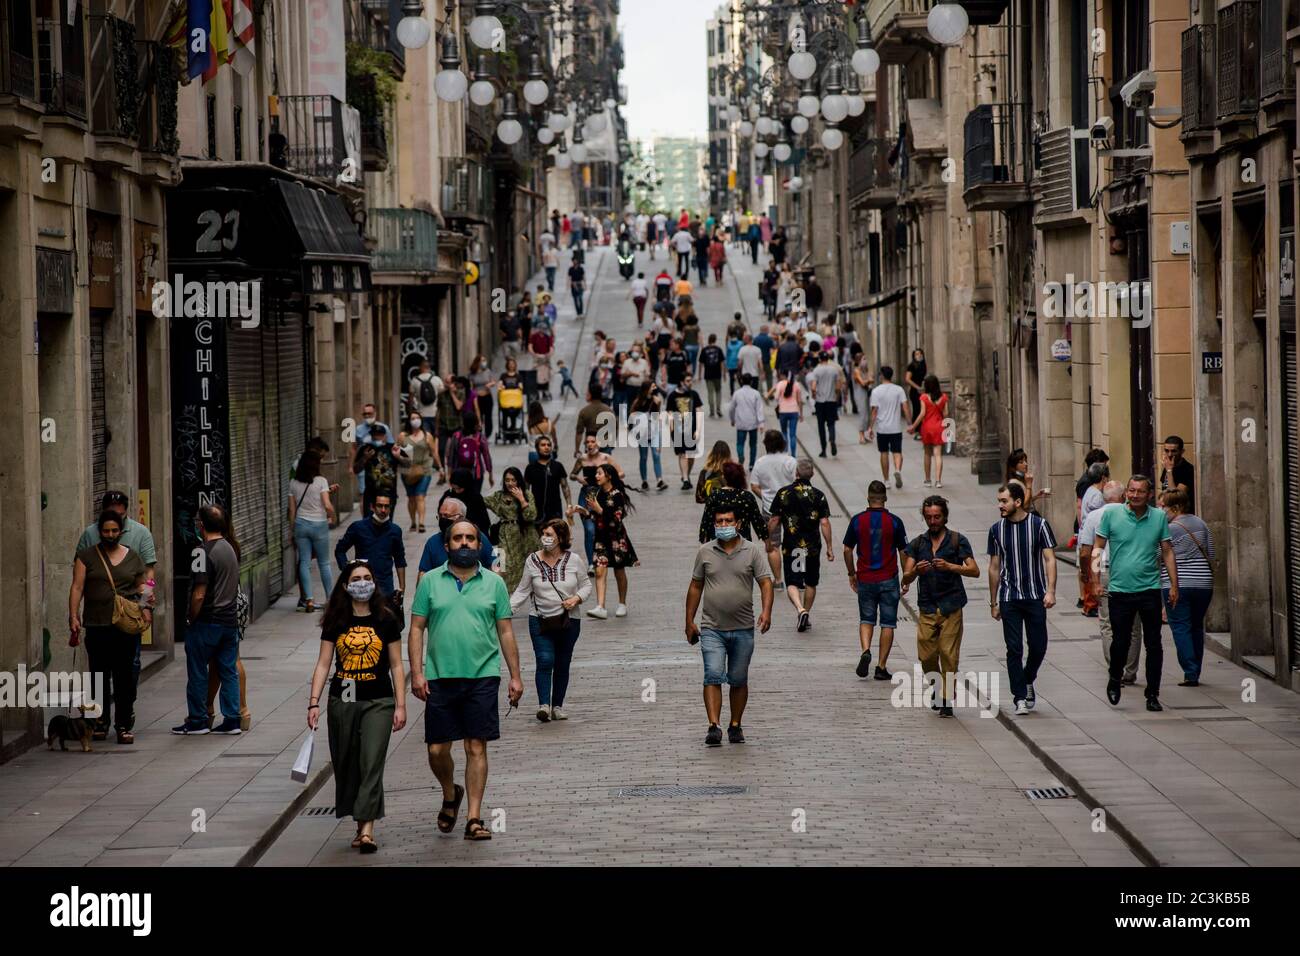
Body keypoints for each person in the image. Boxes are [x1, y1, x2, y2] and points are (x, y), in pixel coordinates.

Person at [409, 520, 523, 842]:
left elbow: (505, 630)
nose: (464, 543)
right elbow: (417, 628)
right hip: (440, 676)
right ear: (446, 546)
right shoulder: (430, 582)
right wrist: (417, 672)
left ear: (479, 545)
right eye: (457, 538)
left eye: (470, 538)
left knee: (476, 746)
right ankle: (450, 792)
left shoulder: (494, 584)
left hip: (482, 675)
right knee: (436, 750)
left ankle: (474, 817)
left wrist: (515, 675)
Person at [308, 561, 405, 854]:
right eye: (356, 578)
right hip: (344, 699)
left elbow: (398, 665)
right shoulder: (336, 620)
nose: (362, 583)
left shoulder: (386, 619)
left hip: (378, 700)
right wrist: (313, 702)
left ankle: (367, 830)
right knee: (347, 762)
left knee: (371, 760)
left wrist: (400, 704)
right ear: (345, 585)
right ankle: (360, 819)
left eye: (367, 578)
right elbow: (324, 663)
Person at [685, 506, 774, 747]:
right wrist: (689, 620)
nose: (723, 525)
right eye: (719, 521)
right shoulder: (705, 552)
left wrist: (766, 612)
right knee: (712, 674)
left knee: (738, 678)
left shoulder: (752, 551)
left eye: (728, 520)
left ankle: (735, 724)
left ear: (738, 523)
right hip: (712, 627)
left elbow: (766, 583)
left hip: (743, 627)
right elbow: (695, 586)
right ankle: (713, 726)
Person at [1095, 475, 1178, 711]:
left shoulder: (1159, 517)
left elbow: (1168, 551)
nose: (1135, 495)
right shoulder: (1111, 515)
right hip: (1120, 590)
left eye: (1140, 491)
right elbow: (1097, 549)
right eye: (1131, 491)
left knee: (1154, 644)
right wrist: (1095, 580)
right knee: (1120, 642)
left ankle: (1152, 693)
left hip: (1150, 589)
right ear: (1125, 493)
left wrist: (1174, 585)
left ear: (1149, 494)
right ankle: (1114, 677)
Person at [75, 489, 157, 717]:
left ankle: (125, 711)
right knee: (99, 671)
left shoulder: (141, 533)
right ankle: (101, 718)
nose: (111, 533)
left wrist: (144, 606)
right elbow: (79, 578)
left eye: (119, 516)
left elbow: (148, 575)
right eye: (110, 514)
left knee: (129, 667)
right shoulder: (90, 535)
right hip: (98, 617)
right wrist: (74, 613)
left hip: (129, 615)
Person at [901, 495, 980, 716]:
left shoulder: (957, 540)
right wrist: (916, 570)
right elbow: (905, 578)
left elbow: (974, 570)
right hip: (927, 607)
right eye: (929, 517)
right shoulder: (917, 543)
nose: (933, 521)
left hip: (952, 605)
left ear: (944, 516)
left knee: (948, 653)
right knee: (926, 655)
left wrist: (950, 566)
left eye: (937, 517)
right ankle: (937, 687)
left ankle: (946, 699)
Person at [167, 506, 242, 736]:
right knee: (228, 670)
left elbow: (199, 592)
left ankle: (198, 720)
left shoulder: (202, 552)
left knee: (198, 671)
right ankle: (232, 719)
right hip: (229, 623)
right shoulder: (230, 548)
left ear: (201, 525)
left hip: (207, 622)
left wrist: (190, 617)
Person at [987, 482, 1058, 716]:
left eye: (1004, 501)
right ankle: (1019, 696)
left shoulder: (1039, 526)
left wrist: (1050, 591)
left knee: (1039, 646)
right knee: (1014, 648)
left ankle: (1027, 678)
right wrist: (993, 602)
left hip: (1035, 595)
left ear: (1017, 502)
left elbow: (1049, 559)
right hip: (1010, 597)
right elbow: (994, 567)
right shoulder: (996, 530)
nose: (1000, 505)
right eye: (999, 501)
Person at [510, 518, 591, 722]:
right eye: (544, 534)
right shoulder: (533, 560)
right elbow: (523, 590)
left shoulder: (574, 561)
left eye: (550, 535)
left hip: (569, 621)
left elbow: (586, 585)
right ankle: (544, 705)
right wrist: (506, 610)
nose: (545, 538)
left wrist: (576, 598)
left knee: (562, 663)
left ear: (561, 538)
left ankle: (557, 706)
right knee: (545, 660)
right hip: (540, 619)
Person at [843, 481, 907, 681]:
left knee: (866, 619)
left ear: (868, 498)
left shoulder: (856, 521)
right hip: (888, 578)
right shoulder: (895, 522)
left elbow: (847, 549)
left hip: (865, 578)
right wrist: (907, 576)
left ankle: (865, 650)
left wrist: (851, 573)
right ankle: (881, 666)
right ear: (885, 498)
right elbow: (903, 551)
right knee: (888, 623)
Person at [1079, 481, 1141, 684]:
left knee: (1107, 623)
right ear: (1123, 496)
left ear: (1104, 498)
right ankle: (1130, 671)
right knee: (1133, 625)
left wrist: (1087, 574)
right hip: (1129, 572)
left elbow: (1086, 551)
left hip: (1103, 571)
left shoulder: (1094, 516)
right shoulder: (1131, 514)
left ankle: (1115, 668)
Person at [767, 459, 834, 633]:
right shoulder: (818, 495)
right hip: (812, 547)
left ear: (796, 473)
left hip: (793, 547)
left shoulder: (784, 494)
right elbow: (825, 522)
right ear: (812, 474)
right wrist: (830, 547)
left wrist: (767, 538)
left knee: (793, 582)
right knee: (811, 582)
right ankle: (806, 613)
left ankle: (800, 609)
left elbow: (774, 519)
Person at [1161, 488, 1213, 686]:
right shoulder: (1202, 523)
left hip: (1177, 583)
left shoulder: (1170, 529)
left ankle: (1190, 672)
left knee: (1180, 626)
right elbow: (1211, 552)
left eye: (1164, 506)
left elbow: (1161, 555)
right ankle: (1195, 670)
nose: (1162, 510)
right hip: (1203, 583)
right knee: (1196, 626)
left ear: (1175, 507)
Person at [335, 493, 407, 629]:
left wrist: (402, 587)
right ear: (372, 507)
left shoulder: (395, 531)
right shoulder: (358, 528)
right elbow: (340, 550)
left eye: (386, 506)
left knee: (384, 626)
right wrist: (347, 571)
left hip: (385, 587)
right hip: (361, 586)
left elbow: (400, 559)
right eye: (380, 506)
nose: (383, 510)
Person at [586, 463, 639, 619]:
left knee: (619, 570)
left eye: (599, 473)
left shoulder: (617, 495)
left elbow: (617, 519)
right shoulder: (596, 493)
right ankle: (600, 606)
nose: (596, 476)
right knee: (599, 570)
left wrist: (599, 510)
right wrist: (580, 511)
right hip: (601, 538)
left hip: (616, 538)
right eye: (596, 473)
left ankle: (622, 603)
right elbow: (592, 516)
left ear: (608, 476)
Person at [289, 450, 337, 613]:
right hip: (319, 525)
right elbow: (327, 504)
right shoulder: (321, 481)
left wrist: (292, 530)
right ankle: (330, 598)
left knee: (304, 562)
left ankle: (308, 599)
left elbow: (292, 510)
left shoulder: (294, 483)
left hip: (301, 524)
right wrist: (332, 515)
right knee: (324, 562)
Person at [750, 429, 797, 586]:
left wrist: (765, 496)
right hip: (792, 508)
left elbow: (754, 486)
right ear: (782, 443)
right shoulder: (790, 461)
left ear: (766, 445)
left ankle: (778, 580)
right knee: (798, 543)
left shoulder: (760, 463)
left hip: (770, 508)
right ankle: (798, 580)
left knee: (772, 546)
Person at [484, 467, 540, 592]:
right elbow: (480, 502)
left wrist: (521, 499)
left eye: (513, 480)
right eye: (507, 480)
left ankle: (534, 604)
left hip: (525, 536)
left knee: (531, 570)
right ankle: (504, 599)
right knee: (501, 566)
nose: (510, 483)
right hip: (505, 535)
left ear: (518, 481)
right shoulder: (499, 496)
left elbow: (531, 516)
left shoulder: (527, 494)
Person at [698, 461, 769, 545]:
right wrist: (767, 542)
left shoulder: (715, 495)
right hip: (742, 541)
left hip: (718, 541)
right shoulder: (747, 496)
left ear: (724, 478)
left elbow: (706, 521)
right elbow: (757, 521)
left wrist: (704, 542)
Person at [868, 366, 909, 488]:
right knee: (897, 451)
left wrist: (870, 427)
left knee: (884, 452)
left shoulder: (876, 391)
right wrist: (910, 423)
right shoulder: (899, 390)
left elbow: (874, 411)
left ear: (881, 376)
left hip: (882, 428)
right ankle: (897, 469)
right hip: (895, 427)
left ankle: (886, 480)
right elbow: (905, 407)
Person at [906, 374, 950, 488]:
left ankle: (927, 480)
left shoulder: (924, 398)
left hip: (927, 427)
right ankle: (938, 481)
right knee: (938, 454)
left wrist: (913, 426)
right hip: (939, 427)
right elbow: (946, 414)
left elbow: (922, 414)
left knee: (927, 454)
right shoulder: (944, 397)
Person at [395, 410, 435, 532]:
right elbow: (396, 450)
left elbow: (434, 452)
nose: (415, 420)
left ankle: (421, 523)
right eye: (412, 418)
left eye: (417, 418)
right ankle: (413, 522)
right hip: (407, 471)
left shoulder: (427, 435)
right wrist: (398, 457)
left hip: (424, 470)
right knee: (411, 497)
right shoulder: (403, 436)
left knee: (420, 496)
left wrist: (441, 468)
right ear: (408, 421)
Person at [667, 371, 705, 490]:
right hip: (678, 429)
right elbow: (669, 412)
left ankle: (686, 474)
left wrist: (698, 430)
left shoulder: (694, 394)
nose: (690, 383)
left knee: (691, 455)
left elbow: (699, 411)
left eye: (691, 380)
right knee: (682, 454)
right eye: (688, 381)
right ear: (681, 382)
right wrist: (671, 427)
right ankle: (685, 479)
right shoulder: (672, 396)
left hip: (691, 428)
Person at [353, 422, 399, 517]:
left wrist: (399, 457)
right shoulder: (365, 449)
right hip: (370, 494)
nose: (377, 437)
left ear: (385, 436)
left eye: (380, 435)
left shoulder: (392, 448)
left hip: (389, 493)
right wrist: (364, 458)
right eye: (375, 435)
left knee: (387, 524)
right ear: (371, 436)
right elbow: (356, 470)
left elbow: (407, 464)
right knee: (369, 523)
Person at [524, 435, 573, 525]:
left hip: (555, 511)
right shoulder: (530, 468)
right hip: (536, 511)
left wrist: (569, 505)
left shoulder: (558, 466)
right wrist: (526, 507)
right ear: (537, 448)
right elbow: (526, 490)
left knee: (554, 537)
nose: (546, 447)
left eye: (549, 445)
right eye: (543, 445)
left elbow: (565, 487)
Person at [629, 383, 668, 491]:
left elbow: (657, 415)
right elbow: (631, 415)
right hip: (642, 434)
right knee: (643, 457)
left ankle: (659, 480)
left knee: (656, 455)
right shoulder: (638, 401)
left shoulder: (656, 400)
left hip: (654, 431)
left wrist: (658, 404)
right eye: (652, 386)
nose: (654, 388)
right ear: (647, 389)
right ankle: (644, 480)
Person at [443, 412, 493, 494]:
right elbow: (486, 455)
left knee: (461, 499)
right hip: (477, 473)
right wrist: (490, 474)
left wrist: (449, 474)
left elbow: (451, 456)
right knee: (474, 498)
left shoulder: (456, 436)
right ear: (475, 423)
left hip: (458, 474)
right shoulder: (480, 437)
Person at [808, 350, 844, 458]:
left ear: (819, 359)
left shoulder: (817, 370)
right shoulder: (834, 370)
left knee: (821, 426)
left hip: (820, 402)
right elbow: (838, 387)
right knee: (831, 423)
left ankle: (823, 450)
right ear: (828, 358)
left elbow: (814, 386)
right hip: (831, 401)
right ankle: (832, 439)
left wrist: (814, 395)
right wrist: (836, 397)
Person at [433, 377, 466, 485]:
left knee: (455, 451)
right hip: (443, 426)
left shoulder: (461, 393)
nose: (446, 384)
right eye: (445, 382)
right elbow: (438, 411)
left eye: (448, 382)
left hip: (456, 426)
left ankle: (454, 474)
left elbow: (458, 406)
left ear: (454, 383)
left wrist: (452, 394)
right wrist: (436, 428)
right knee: (441, 450)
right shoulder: (442, 394)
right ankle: (442, 474)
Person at [729, 373, 766, 469]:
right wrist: (761, 423)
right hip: (753, 423)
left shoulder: (737, 393)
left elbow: (731, 408)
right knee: (753, 444)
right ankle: (752, 464)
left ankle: (741, 457)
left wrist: (732, 419)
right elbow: (759, 409)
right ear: (751, 381)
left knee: (740, 443)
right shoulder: (756, 393)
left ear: (741, 381)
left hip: (741, 423)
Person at [768, 370, 805, 456]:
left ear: (783, 375)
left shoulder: (780, 384)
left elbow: (776, 397)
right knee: (793, 434)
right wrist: (801, 414)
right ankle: (793, 455)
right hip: (794, 411)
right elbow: (800, 401)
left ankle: (785, 452)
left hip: (783, 411)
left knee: (784, 433)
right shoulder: (796, 385)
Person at [1159, 435, 1196, 514]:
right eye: (1166, 451)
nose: (1169, 455)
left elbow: (1176, 498)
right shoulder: (1168, 465)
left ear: (1181, 451)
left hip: (1181, 515)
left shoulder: (1187, 469)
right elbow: (1164, 489)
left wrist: (1169, 470)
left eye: (1173, 451)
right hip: (1167, 513)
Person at [698, 333, 726, 417]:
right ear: (715, 340)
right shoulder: (719, 349)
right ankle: (718, 408)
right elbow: (722, 363)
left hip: (708, 374)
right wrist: (724, 373)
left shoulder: (704, 350)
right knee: (718, 391)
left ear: (709, 340)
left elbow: (701, 364)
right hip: (717, 374)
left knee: (710, 392)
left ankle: (712, 410)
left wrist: (699, 375)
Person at [903, 349, 927, 442]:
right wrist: (918, 387)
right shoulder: (911, 366)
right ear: (914, 356)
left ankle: (921, 430)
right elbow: (907, 379)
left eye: (920, 353)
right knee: (917, 410)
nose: (919, 355)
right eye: (917, 354)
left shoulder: (924, 365)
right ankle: (916, 431)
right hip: (915, 391)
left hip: (923, 391)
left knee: (923, 410)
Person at [409, 359, 443, 424]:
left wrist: (410, 414)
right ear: (429, 368)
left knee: (424, 434)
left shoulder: (414, 381)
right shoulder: (437, 379)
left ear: (420, 367)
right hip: (435, 414)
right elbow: (441, 398)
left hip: (421, 414)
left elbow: (410, 400)